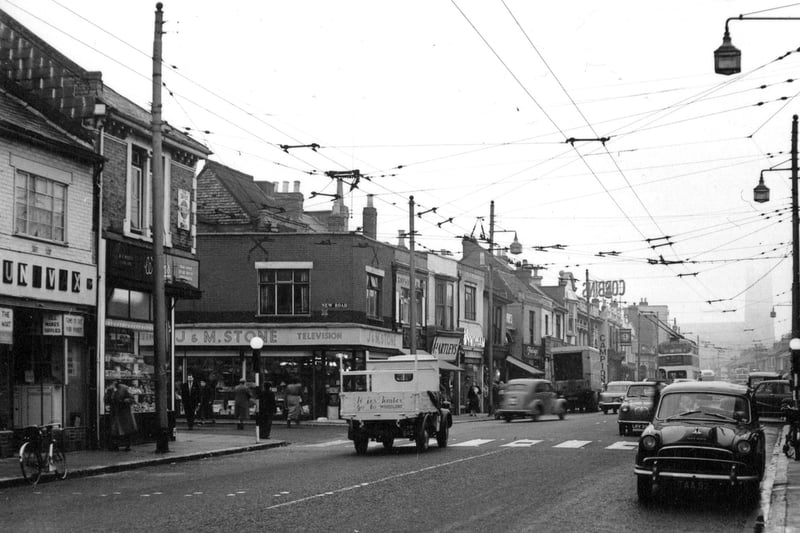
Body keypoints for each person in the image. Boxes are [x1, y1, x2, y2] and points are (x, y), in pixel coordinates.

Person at [105, 380, 137, 451]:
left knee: (126, 429)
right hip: (114, 412)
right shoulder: (110, 390)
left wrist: (125, 400)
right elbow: (106, 400)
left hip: (124, 412)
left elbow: (132, 399)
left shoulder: (124, 388)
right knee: (115, 429)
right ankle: (115, 445)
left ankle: (127, 445)